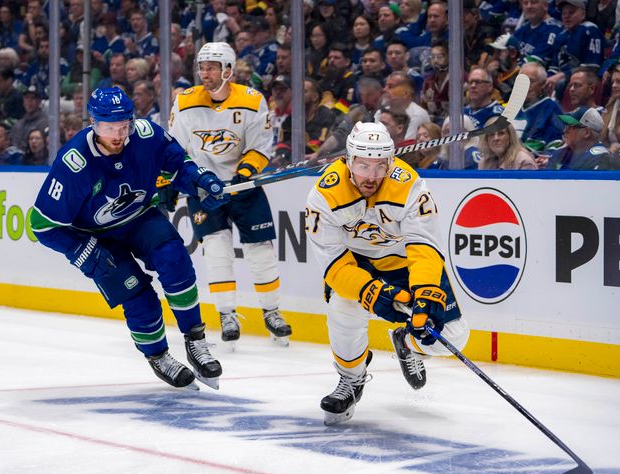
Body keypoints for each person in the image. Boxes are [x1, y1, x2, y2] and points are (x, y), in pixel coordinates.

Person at [30, 87, 229, 390]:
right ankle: (159, 356)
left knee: (175, 259)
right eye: (109, 127)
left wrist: (202, 180)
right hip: (97, 237)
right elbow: (41, 225)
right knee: (138, 296)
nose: (118, 134)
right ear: (93, 124)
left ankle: (195, 340)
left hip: (139, 218)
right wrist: (82, 252)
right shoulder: (75, 163)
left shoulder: (146, 134)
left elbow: (178, 164)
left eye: (123, 126)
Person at [305, 121, 470, 425]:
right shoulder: (324, 195)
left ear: (391, 162)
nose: (371, 176)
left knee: (454, 337)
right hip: (357, 262)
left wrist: (424, 293)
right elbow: (334, 264)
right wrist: (370, 291)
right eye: (363, 165)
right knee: (343, 307)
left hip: (403, 263)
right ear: (348, 160)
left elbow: (424, 247)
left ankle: (406, 341)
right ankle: (351, 379)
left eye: (380, 166)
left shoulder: (410, 186)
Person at [167, 41, 293, 348]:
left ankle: (271, 311)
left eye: (211, 67)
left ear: (228, 70)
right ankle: (227, 314)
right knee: (217, 249)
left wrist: (245, 173)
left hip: (243, 188)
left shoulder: (251, 100)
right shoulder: (185, 102)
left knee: (260, 249)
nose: (204, 73)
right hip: (203, 187)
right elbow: (174, 147)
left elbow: (260, 145)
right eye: (201, 67)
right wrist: (172, 181)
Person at [545, 106, 620, 170]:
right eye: (566, 126)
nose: (565, 130)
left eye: (571, 126)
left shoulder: (600, 158)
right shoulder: (560, 153)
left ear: (586, 132)